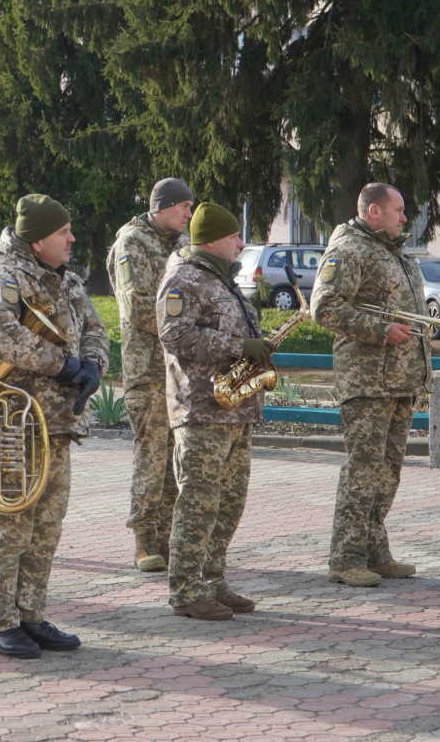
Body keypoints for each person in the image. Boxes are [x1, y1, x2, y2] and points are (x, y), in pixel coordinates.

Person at [0, 194, 108, 658]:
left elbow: (95, 328)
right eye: (63, 233)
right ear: (37, 239)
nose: (71, 239)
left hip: (58, 423)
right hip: (15, 421)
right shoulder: (3, 274)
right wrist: (62, 365)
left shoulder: (66, 280)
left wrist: (91, 365)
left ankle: (30, 614)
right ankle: (0, 623)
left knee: (47, 525)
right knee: (11, 525)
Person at [310, 183, 431, 587]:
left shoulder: (393, 250)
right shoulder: (349, 248)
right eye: (398, 210)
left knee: (388, 472)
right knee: (363, 470)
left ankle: (376, 552)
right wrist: (381, 330)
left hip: (399, 380)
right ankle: (344, 558)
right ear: (374, 211)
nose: (404, 217)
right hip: (367, 381)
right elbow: (323, 306)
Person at [155, 203, 271, 621]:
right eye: (235, 236)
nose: (241, 243)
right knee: (199, 502)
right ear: (213, 240)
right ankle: (186, 590)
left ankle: (212, 579)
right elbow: (174, 334)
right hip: (202, 408)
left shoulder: (223, 279)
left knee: (229, 502)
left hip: (236, 408)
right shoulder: (184, 277)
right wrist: (240, 348)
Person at [107, 177, 192, 572]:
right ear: (164, 205)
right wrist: (188, 324)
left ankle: (168, 538)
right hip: (148, 371)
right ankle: (144, 538)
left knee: (177, 456)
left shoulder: (177, 245)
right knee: (152, 456)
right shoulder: (132, 243)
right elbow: (137, 308)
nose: (189, 216)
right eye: (184, 208)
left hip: (179, 371)